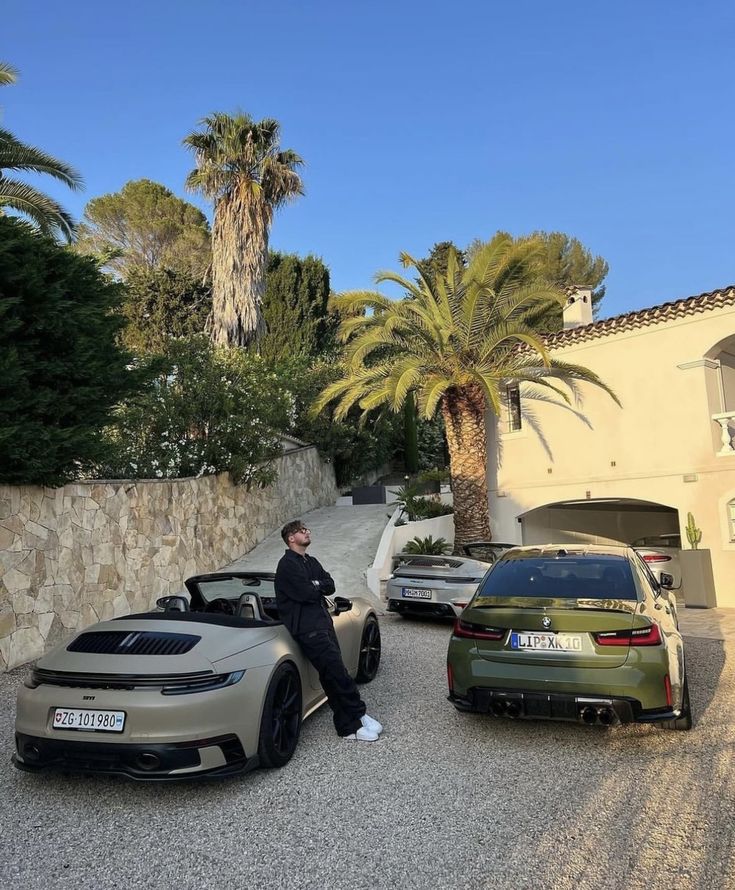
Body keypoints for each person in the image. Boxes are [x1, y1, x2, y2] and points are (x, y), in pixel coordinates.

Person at [274, 519, 383, 742]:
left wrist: (316, 584)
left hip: (323, 624)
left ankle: (351, 722)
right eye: (302, 531)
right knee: (337, 674)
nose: (307, 532)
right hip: (308, 629)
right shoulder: (287, 565)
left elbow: (330, 584)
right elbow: (306, 593)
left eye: (307, 529)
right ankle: (355, 719)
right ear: (291, 538)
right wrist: (316, 585)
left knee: (333, 675)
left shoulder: (310, 561)